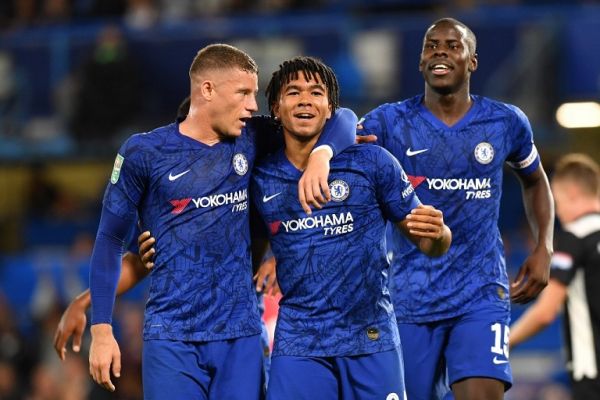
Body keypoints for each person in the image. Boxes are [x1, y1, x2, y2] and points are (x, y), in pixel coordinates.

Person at [86, 43, 356, 399]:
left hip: (240, 336)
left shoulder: (254, 137)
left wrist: (323, 155)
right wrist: (102, 330)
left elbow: (344, 119)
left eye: (255, 94)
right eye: (243, 93)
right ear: (207, 90)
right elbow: (109, 240)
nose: (253, 105)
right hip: (173, 337)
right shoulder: (143, 153)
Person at [358, 17, 554, 399]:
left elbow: (536, 180)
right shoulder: (388, 122)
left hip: (480, 291)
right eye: (431, 46)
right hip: (408, 297)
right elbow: (341, 133)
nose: (440, 52)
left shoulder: (505, 121)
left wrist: (543, 246)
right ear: (420, 62)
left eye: (453, 45)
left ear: (472, 61)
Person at [250, 56, 451, 399]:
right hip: (300, 342)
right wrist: (271, 255)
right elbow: (254, 246)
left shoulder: (373, 162)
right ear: (275, 106)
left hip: (370, 336)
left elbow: (430, 243)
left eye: (316, 93)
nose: (304, 100)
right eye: (293, 92)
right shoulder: (261, 177)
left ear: (330, 108)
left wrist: (440, 234)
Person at [510, 153, 600, 399]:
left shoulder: (574, 238)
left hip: (592, 372)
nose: (558, 214)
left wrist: (504, 343)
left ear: (571, 192)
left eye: (557, 203)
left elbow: (546, 312)